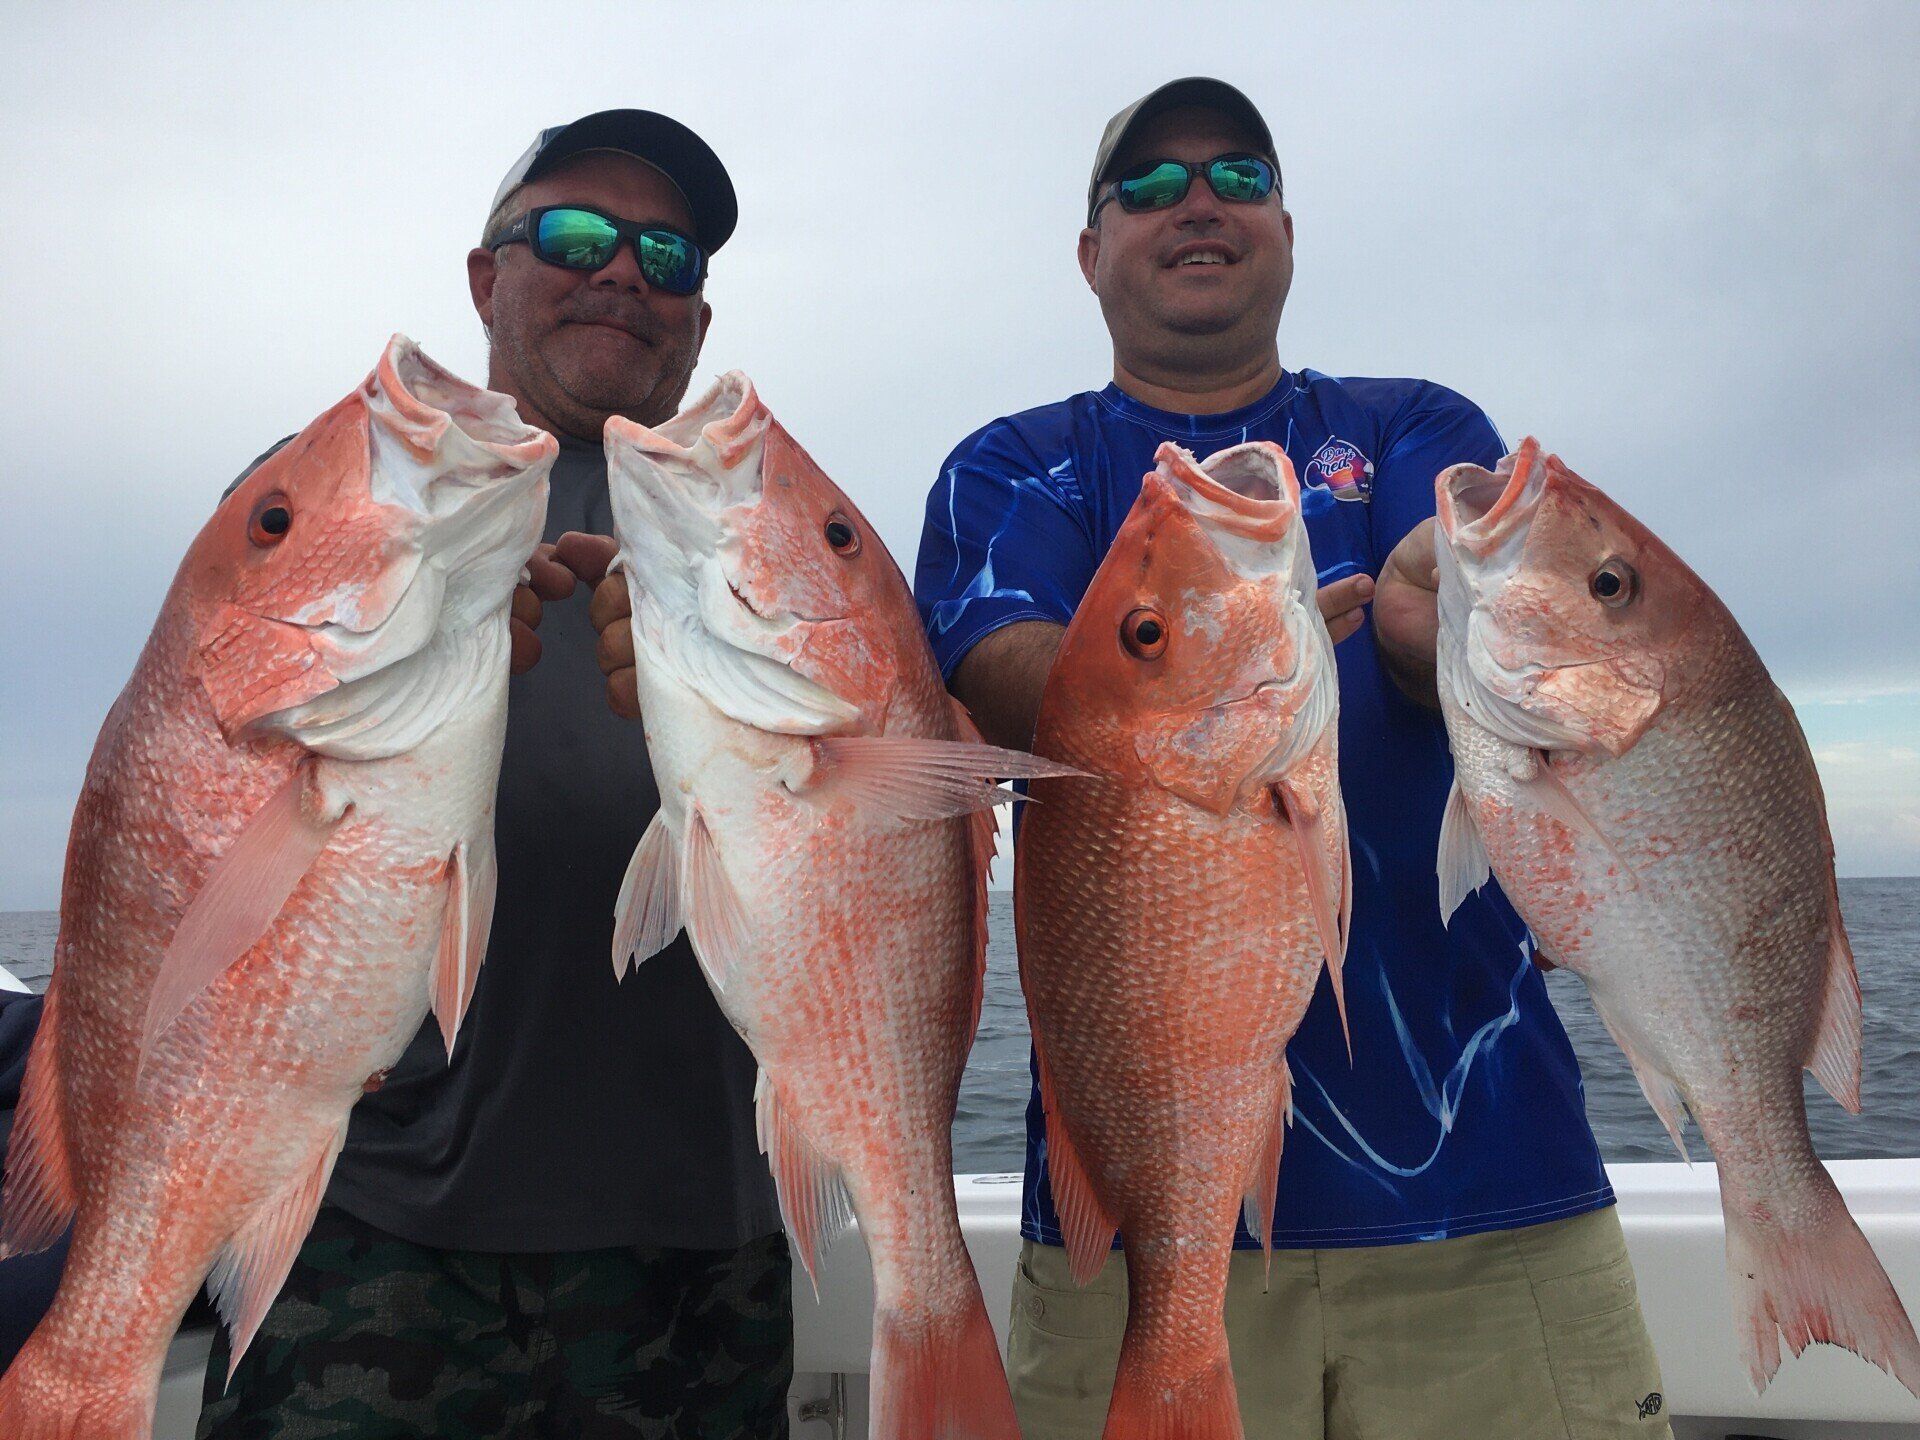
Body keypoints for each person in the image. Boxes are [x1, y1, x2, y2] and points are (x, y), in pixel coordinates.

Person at [909, 78, 1673, 1440]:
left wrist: (1413, 634)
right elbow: (1000, 669)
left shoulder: (1415, 428)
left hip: (1489, 1194)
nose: (1193, 201)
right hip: (1142, 1220)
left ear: (1285, 229)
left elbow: (1488, 642)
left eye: (1234, 175)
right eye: (1145, 186)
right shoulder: (1010, 471)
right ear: (1092, 255)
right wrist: (1167, 663)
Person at [195, 111, 790, 1440]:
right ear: (485, 278)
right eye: (576, 237)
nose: (624, 273)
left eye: (668, 255)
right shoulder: (339, 491)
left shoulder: (774, 533)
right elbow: (198, 800)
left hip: (698, 1246)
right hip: (376, 1232)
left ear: (696, 321)